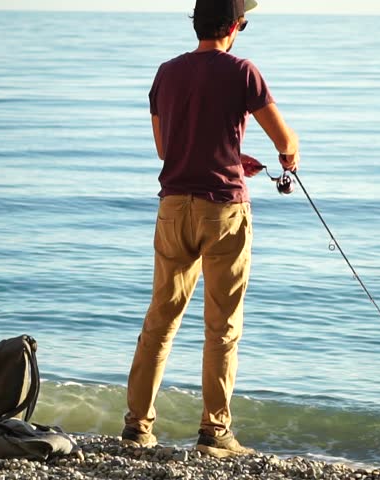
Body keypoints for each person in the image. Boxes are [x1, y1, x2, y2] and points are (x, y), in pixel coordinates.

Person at [121, 0, 300, 458]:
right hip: (223, 211)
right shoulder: (242, 71)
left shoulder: (166, 73)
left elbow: (168, 149)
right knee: (221, 326)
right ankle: (214, 433)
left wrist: (229, 156)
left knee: (161, 320)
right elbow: (286, 140)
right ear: (235, 26)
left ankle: (138, 428)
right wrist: (287, 160)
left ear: (197, 24)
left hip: (174, 208)